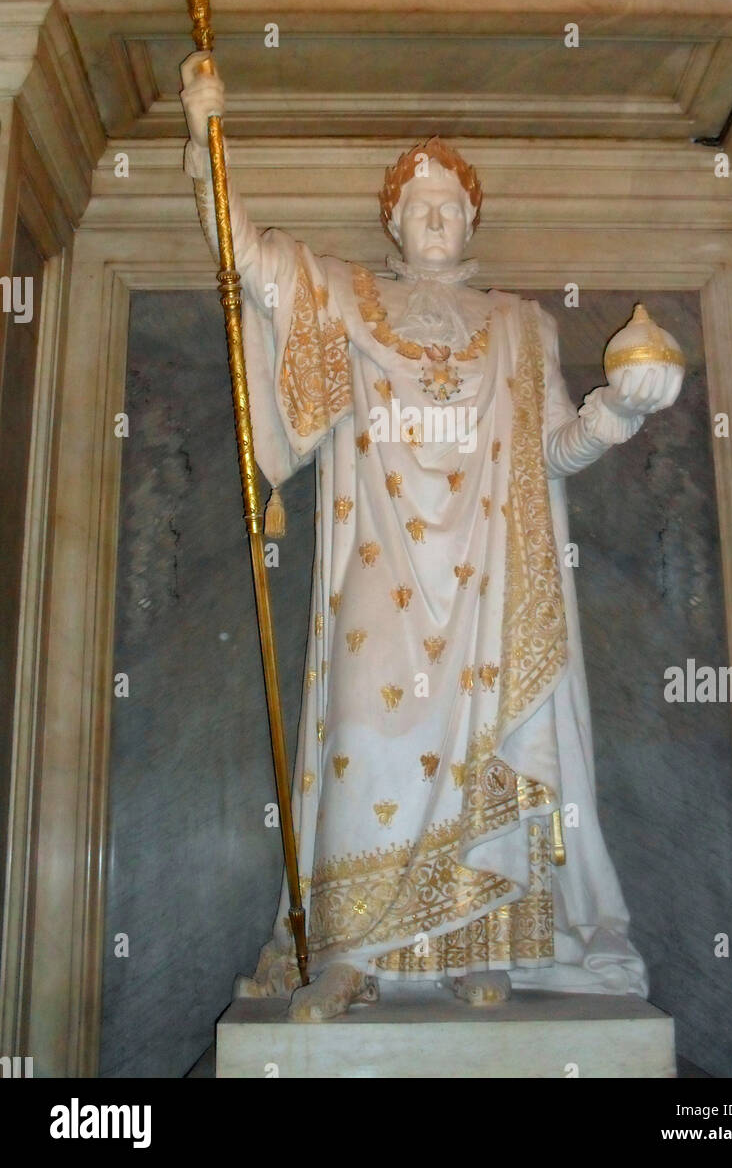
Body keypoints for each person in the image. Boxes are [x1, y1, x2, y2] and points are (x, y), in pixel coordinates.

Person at [180, 50, 683, 1022]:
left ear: (473, 222)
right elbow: (240, 252)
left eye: (453, 199)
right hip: (383, 569)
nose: (438, 212)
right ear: (395, 225)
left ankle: (469, 943)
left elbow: (557, 452)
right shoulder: (348, 302)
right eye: (420, 202)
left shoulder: (519, 328)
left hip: (488, 579)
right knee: (364, 735)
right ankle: (350, 954)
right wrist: (205, 136)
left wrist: (621, 407)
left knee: (489, 749)